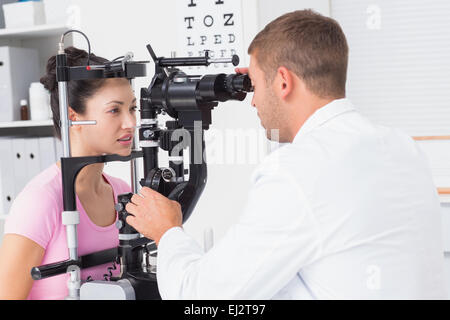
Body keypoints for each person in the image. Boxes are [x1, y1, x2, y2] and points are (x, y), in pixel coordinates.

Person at [127, 9, 447, 299]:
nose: (253, 102)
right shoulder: (403, 147)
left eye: (256, 86)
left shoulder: (298, 170)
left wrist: (167, 232)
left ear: (283, 82)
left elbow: (201, 297)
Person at [0, 46, 137, 300]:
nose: (130, 123)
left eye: (133, 108)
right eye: (114, 110)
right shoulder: (41, 201)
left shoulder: (122, 192)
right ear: (73, 116)